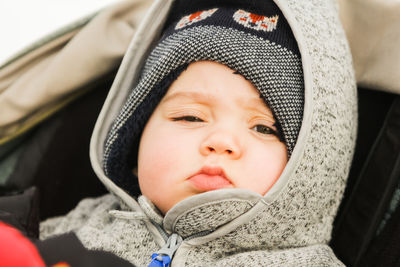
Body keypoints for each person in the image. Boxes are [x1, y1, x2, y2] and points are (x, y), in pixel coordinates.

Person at [40, 0, 357, 266]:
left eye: (263, 127)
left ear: (313, 169)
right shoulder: (79, 224)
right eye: (190, 117)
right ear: (132, 140)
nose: (220, 142)